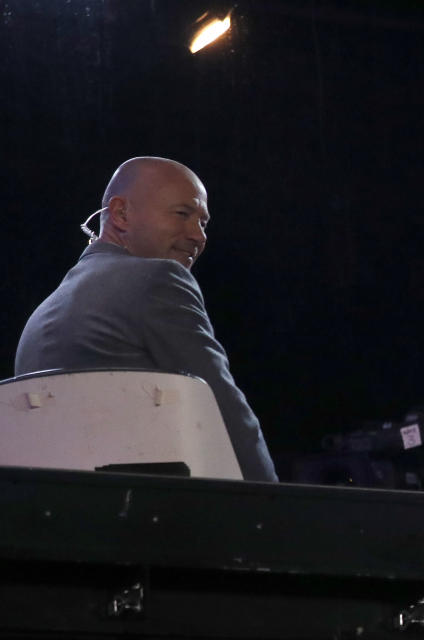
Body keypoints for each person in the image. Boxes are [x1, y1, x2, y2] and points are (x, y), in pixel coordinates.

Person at [15, 157, 278, 482]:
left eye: (203, 223)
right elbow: (223, 410)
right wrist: (274, 508)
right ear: (122, 214)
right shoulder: (158, 280)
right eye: (182, 214)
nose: (198, 236)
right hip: (153, 519)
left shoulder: (40, 317)